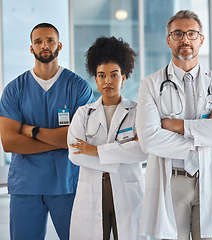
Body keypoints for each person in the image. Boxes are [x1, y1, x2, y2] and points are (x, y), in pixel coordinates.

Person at [136, 10, 212, 240]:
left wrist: (176, 125)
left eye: (192, 33)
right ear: (168, 40)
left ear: (201, 39)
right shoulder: (151, 85)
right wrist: (205, 132)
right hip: (172, 180)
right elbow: (149, 139)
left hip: (210, 176)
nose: (185, 39)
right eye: (178, 34)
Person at [0, 23, 94, 240]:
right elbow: (9, 142)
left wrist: (31, 131)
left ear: (59, 45)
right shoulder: (15, 89)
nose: (45, 45)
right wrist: (60, 140)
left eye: (50, 40)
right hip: (26, 188)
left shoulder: (77, 87)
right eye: (38, 41)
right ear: (31, 48)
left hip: (67, 185)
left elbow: (79, 137)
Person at [67, 36, 148, 240]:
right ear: (95, 79)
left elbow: (142, 151)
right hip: (93, 190)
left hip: (127, 189)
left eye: (114, 75)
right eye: (101, 76)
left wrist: (94, 150)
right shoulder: (83, 114)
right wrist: (121, 155)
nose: (107, 81)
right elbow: (75, 154)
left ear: (124, 76)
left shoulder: (138, 112)